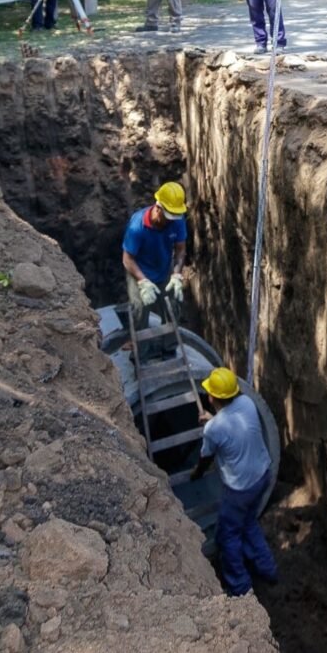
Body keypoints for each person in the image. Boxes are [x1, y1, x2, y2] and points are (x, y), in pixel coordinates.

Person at [191, 367, 279, 596]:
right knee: (248, 523)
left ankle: (240, 587)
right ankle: (268, 568)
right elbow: (231, 421)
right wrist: (214, 419)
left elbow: (205, 457)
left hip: (240, 489)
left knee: (227, 535)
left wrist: (196, 474)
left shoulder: (213, 429)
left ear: (211, 397)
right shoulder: (248, 404)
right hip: (262, 475)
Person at [121, 181, 188, 358]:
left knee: (173, 308)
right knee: (140, 311)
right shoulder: (137, 226)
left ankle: (169, 348)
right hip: (139, 272)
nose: (172, 220)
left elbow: (180, 250)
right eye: (169, 216)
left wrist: (176, 275)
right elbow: (127, 258)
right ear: (158, 208)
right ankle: (140, 353)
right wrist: (143, 282)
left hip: (164, 270)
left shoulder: (177, 219)